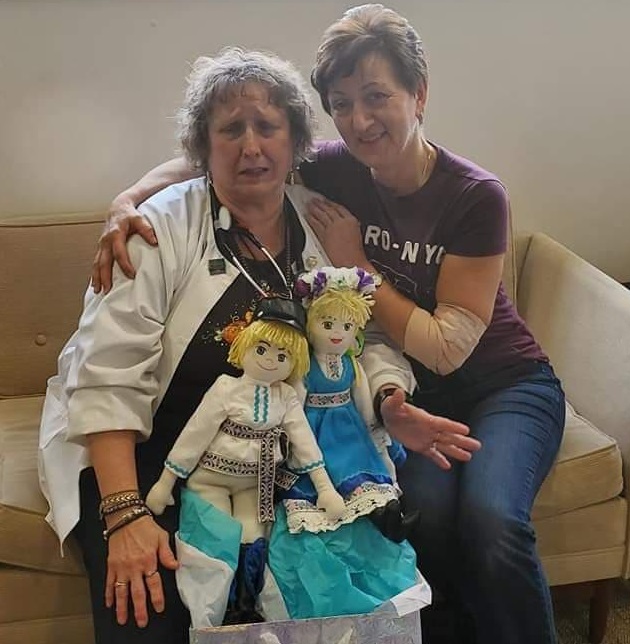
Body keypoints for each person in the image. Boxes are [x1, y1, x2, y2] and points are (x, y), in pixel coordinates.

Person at [92, 5, 567, 643]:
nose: (360, 120)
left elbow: (437, 347)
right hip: (402, 396)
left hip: (498, 383)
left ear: (419, 94)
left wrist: (358, 267)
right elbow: (220, 155)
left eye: (377, 96)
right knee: (419, 516)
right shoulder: (336, 170)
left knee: (491, 520)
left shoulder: (471, 195)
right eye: (342, 104)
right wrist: (126, 200)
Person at [38, 45, 479, 644]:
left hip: (282, 454)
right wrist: (123, 513)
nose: (251, 147)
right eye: (231, 130)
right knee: (148, 612)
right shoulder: (157, 227)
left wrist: (388, 399)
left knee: (343, 598)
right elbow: (107, 373)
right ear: (203, 145)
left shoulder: (322, 221)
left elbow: (364, 334)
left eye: (268, 127)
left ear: (295, 143)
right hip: (148, 450)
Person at [145, 296, 346, 627]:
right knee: (217, 534)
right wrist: (166, 482)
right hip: (210, 478)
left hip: (256, 483)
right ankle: (211, 609)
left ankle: (242, 605)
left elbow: (304, 442)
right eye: (262, 349)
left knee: (253, 538)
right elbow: (196, 433)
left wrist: (324, 488)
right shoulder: (226, 388)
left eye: (282, 356)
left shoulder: (287, 397)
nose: (270, 360)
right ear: (246, 344)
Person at [267, 265, 424, 620]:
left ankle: (388, 517)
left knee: (368, 471)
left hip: (351, 428)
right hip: (316, 431)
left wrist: (376, 428)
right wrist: (287, 436)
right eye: (328, 325)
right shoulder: (306, 366)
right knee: (326, 477)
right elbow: (294, 402)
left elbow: (364, 399)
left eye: (346, 326)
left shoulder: (351, 364)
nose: (337, 334)